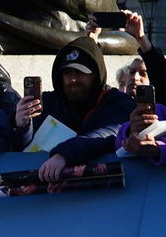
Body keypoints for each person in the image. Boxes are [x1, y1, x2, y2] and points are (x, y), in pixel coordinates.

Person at [15, 35, 133, 166]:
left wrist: (64, 154)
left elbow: (110, 133)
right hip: (44, 182)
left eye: (80, 73)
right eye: (67, 73)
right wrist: (21, 127)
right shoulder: (47, 103)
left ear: (97, 75)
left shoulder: (117, 103)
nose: (73, 80)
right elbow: (16, 147)